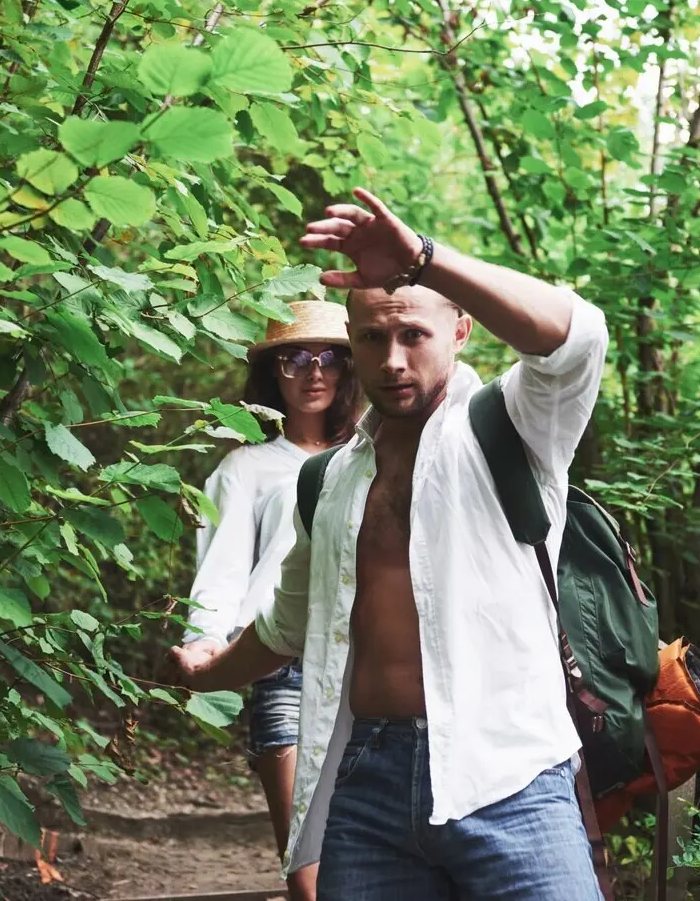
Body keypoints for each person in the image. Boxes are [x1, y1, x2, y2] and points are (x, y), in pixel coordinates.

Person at [171, 187, 608, 900]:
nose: (393, 359)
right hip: (367, 788)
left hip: (512, 775)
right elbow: (285, 627)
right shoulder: (325, 483)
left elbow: (577, 335)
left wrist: (426, 261)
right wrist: (206, 673)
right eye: (371, 339)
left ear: (460, 331)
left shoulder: (513, 428)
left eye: (413, 334)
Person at [172, 299, 360, 901]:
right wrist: (204, 645)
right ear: (272, 374)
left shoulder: (374, 454)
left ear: (349, 368)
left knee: (370, 853)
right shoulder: (246, 467)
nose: (313, 372)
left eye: (329, 357)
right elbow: (221, 566)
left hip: (372, 666)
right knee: (305, 864)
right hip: (282, 660)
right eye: (295, 359)